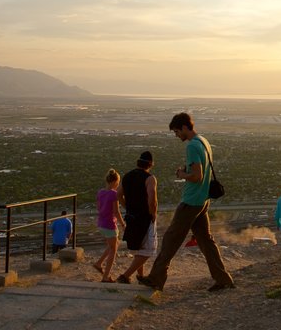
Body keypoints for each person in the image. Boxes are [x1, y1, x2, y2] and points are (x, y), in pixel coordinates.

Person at [137, 112, 235, 292]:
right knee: (206, 241)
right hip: (203, 200)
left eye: (176, 132)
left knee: (170, 239)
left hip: (191, 201)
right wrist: (187, 171)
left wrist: (182, 175)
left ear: (183, 127)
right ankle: (223, 279)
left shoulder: (192, 147)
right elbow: (201, 171)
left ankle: (156, 279)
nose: (177, 136)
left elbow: (197, 176)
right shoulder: (203, 141)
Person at [115, 151, 158, 285]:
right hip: (145, 217)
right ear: (150, 164)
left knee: (139, 247)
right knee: (149, 248)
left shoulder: (127, 176)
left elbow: (118, 195)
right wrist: (153, 214)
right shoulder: (150, 178)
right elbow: (152, 200)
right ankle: (125, 276)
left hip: (131, 216)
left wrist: (128, 207)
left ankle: (141, 276)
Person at [93, 169, 126, 282]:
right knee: (114, 249)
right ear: (115, 181)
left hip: (101, 223)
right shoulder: (114, 194)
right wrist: (122, 223)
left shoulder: (100, 192)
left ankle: (98, 263)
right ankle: (106, 277)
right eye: (118, 182)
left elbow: (98, 208)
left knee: (114, 244)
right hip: (109, 224)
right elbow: (116, 211)